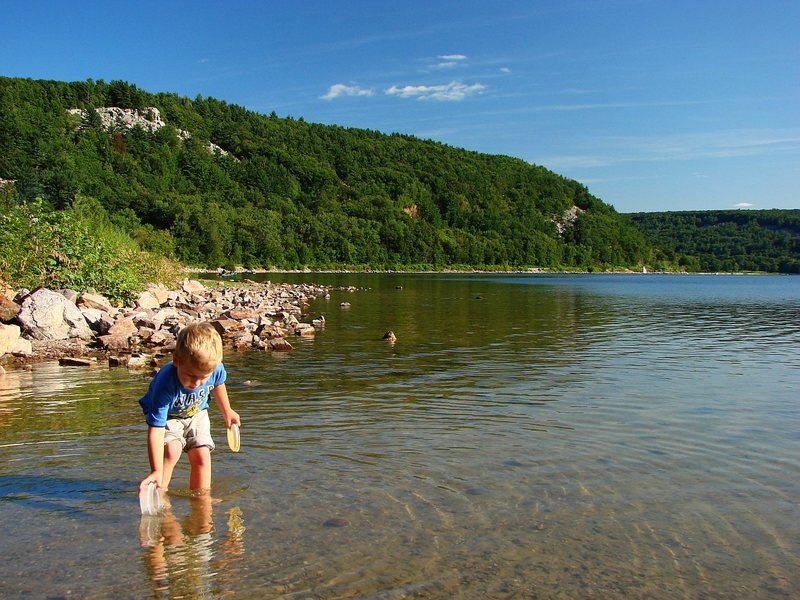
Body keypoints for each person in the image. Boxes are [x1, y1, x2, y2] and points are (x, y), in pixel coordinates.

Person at [138, 322, 240, 496]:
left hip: (197, 411)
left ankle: (202, 500)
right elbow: (155, 430)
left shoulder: (214, 368)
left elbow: (218, 384)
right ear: (176, 360)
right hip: (169, 415)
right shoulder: (165, 384)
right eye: (191, 376)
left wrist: (227, 411)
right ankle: (160, 490)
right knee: (172, 450)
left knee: (202, 454)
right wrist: (155, 469)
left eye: (203, 378)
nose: (197, 383)